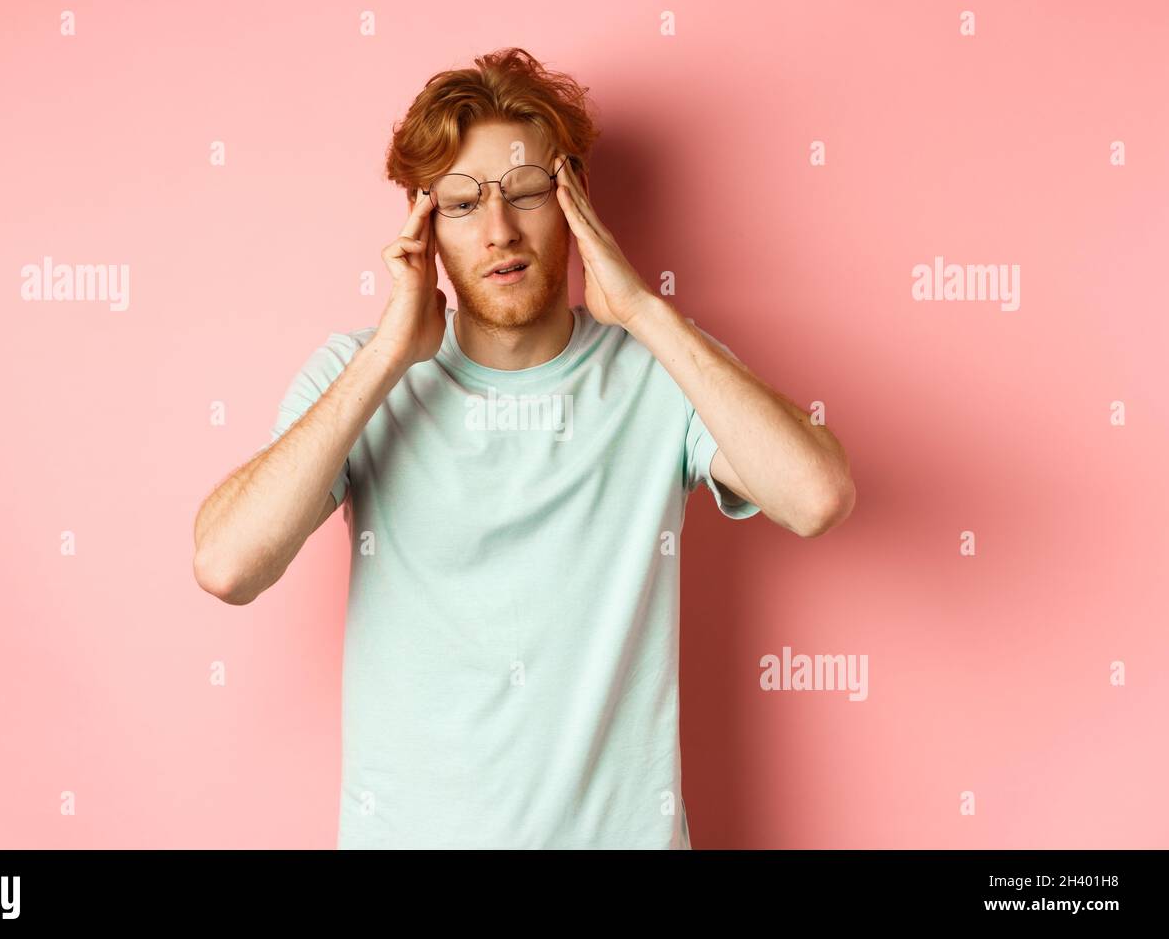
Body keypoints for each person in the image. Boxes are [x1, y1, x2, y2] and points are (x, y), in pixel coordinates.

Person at [193, 47, 855, 848]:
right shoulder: (357, 376)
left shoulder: (660, 371)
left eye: (528, 191)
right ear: (424, 221)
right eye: (463, 203)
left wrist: (643, 311)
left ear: (572, 198)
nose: (500, 230)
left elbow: (817, 497)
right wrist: (386, 357)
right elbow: (227, 565)